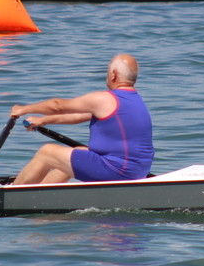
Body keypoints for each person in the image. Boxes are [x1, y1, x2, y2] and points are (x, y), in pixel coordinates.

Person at [10, 54, 153, 185]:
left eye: (108, 70)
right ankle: (41, 194)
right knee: (78, 152)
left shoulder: (104, 99)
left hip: (117, 172)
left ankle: (12, 197)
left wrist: (24, 109)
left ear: (114, 75)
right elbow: (78, 115)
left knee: (47, 151)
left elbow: (57, 106)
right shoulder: (136, 101)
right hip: (136, 171)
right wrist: (44, 120)